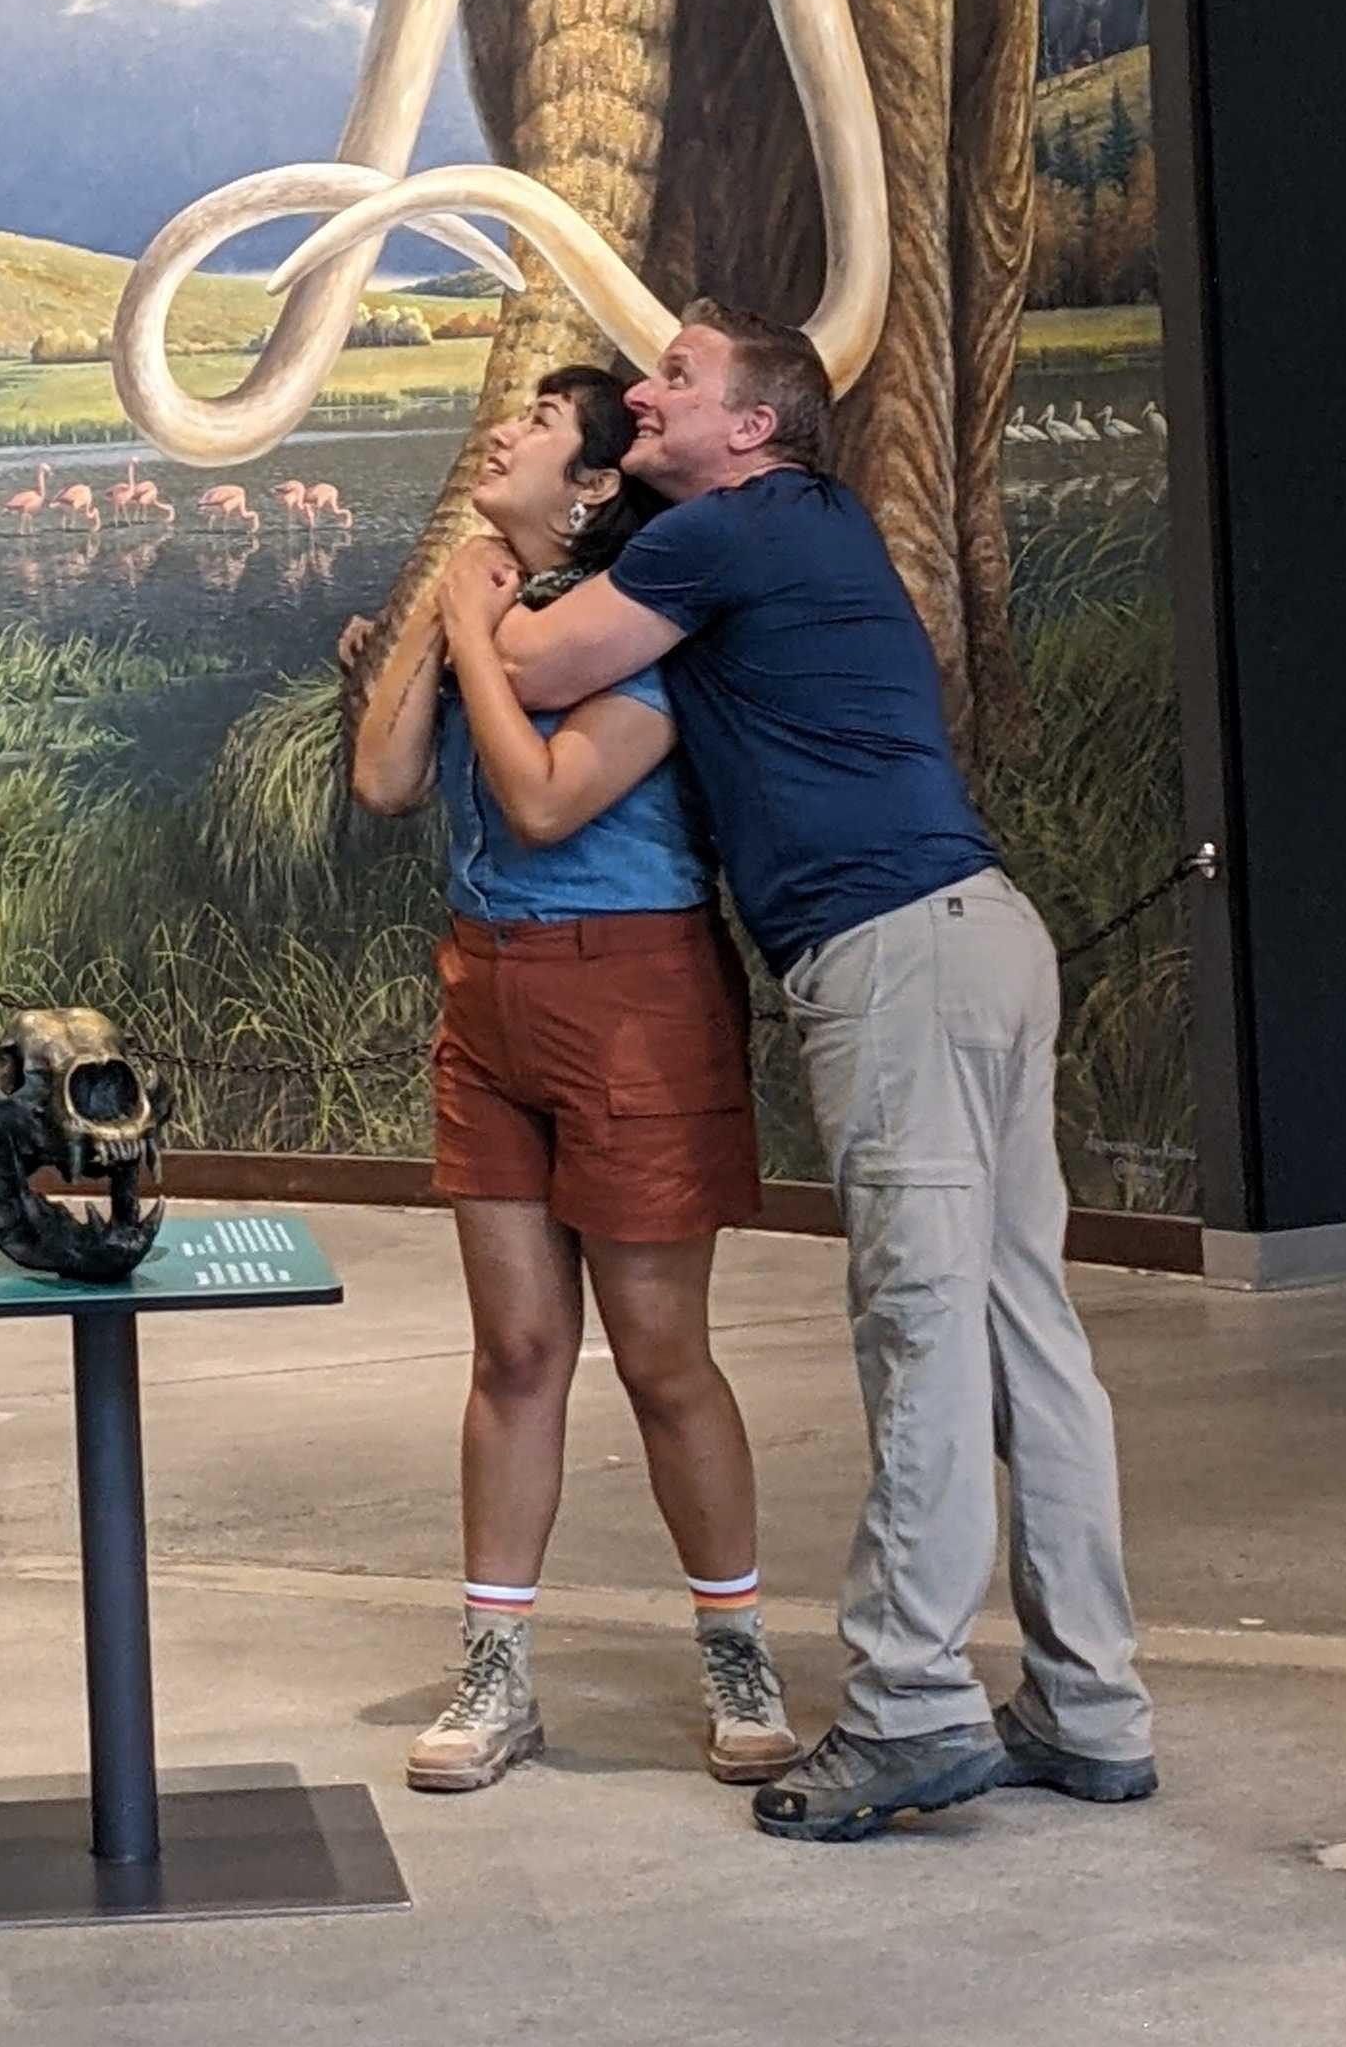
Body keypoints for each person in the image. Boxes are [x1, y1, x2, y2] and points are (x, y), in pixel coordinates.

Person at [470, 300, 1157, 1843]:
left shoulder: (728, 531)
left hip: (894, 956)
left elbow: (530, 667)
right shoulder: (803, 524)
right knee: (1019, 1327)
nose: (646, 394)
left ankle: (912, 1709)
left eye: (682, 379)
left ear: (757, 425)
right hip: (978, 935)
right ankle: (1091, 1705)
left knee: (922, 1332)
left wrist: (475, 578)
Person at [341, 366, 798, 1799]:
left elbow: (542, 799)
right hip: (487, 993)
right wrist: (443, 620)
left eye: (539, 427)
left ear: (595, 485)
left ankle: (738, 1653)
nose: (504, 432)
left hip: (635, 995)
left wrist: (476, 624)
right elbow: (386, 784)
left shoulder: (643, 638)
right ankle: (497, 1676)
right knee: (519, 1352)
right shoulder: (498, 612)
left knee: (660, 1355)